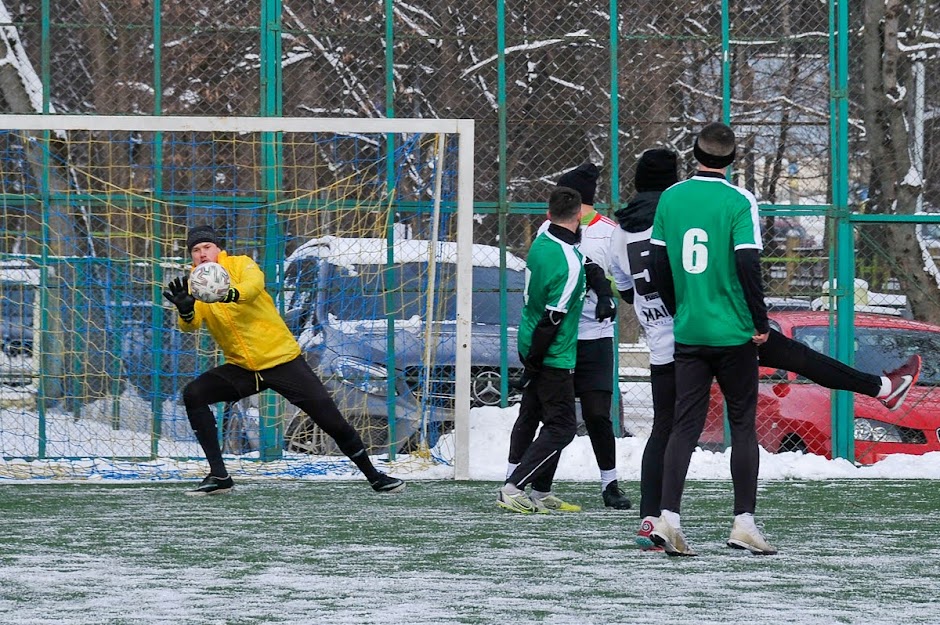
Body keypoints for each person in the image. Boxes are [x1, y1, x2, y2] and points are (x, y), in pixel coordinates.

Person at [610, 147, 922, 553]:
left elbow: (626, 289)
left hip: (667, 339)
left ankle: (655, 521)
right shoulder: (684, 208)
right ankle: (879, 388)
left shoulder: (620, 233)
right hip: (715, 326)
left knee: (669, 430)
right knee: (778, 376)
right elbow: (724, 264)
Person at [162, 224, 406, 496]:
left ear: (218, 249)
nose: (202, 253)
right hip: (243, 369)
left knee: (332, 422)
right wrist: (185, 310)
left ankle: (375, 477)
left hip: (282, 361)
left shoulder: (241, 265)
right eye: (195, 250)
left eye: (206, 246)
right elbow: (191, 325)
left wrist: (228, 293)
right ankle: (219, 476)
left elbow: (253, 287)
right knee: (194, 394)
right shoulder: (197, 284)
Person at [507, 163, 631, 511]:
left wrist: (607, 296)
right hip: (559, 336)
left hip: (593, 337)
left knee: (595, 414)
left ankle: (610, 484)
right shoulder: (552, 232)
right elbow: (567, 274)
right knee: (537, 415)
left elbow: (616, 276)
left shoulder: (609, 232)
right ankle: (515, 482)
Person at [497, 186, 586, 513]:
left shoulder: (542, 241)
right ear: (579, 215)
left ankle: (541, 491)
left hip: (530, 340)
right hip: (551, 352)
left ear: (548, 215)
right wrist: (535, 364)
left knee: (541, 417)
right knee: (562, 427)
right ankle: (514, 487)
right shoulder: (570, 262)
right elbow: (552, 319)